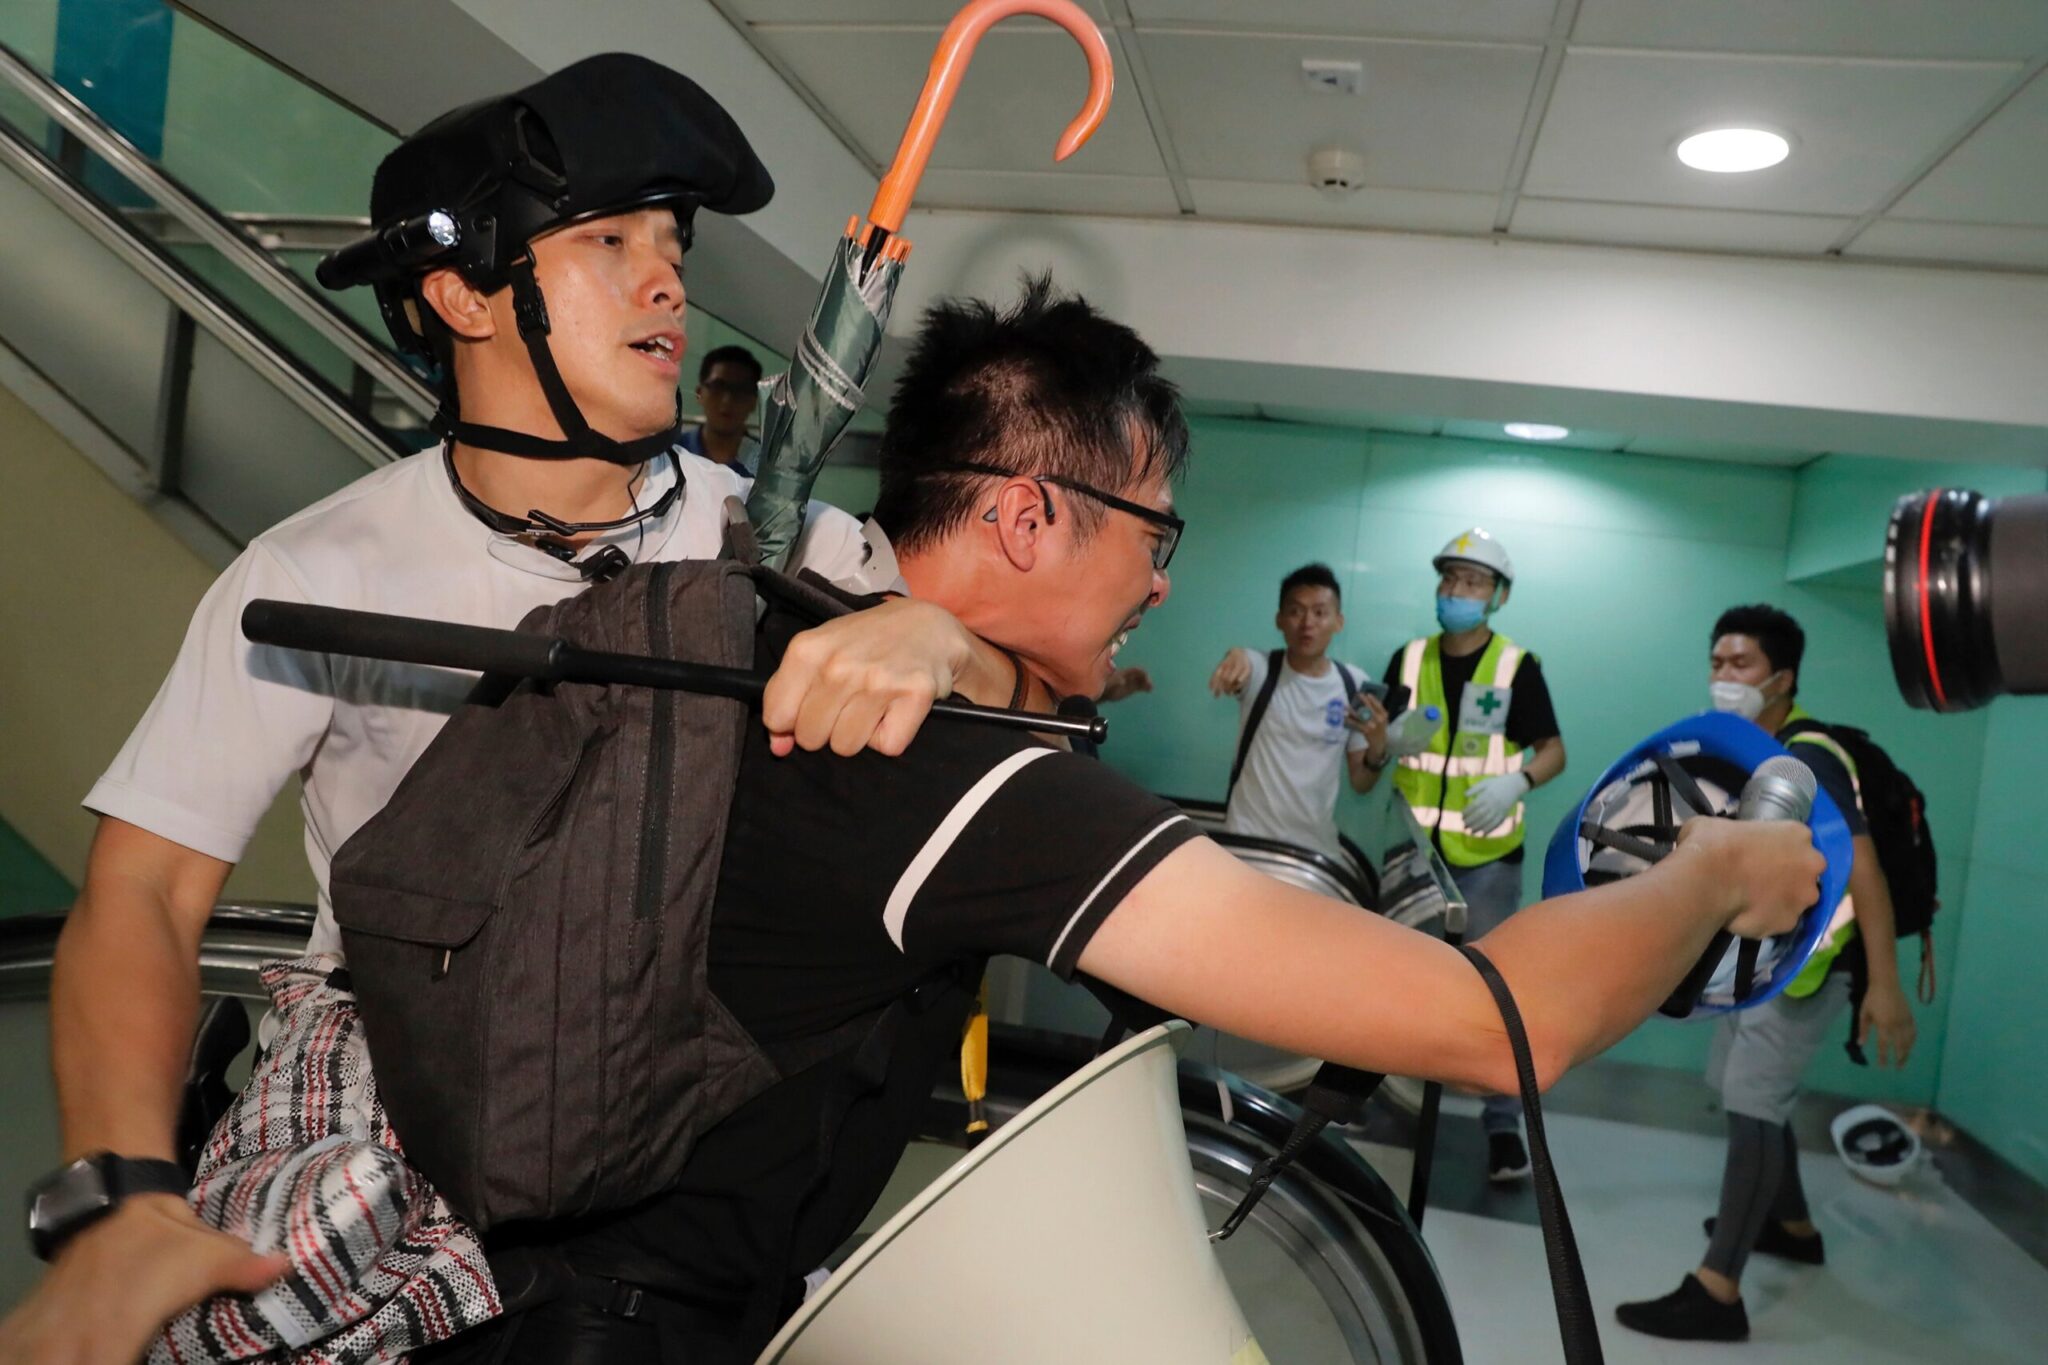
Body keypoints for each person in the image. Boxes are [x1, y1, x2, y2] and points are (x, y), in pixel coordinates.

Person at [372, 280, 1823, 1363]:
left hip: (500, 1280)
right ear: (1025, 517)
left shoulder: (779, 633)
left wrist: (963, 642)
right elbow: (1502, 1025)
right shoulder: (955, 775)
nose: (1163, 579)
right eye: (1154, 530)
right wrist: (1711, 871)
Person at [0, 54, 1012, 1365]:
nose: (669, 282)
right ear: (464, 295)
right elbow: (143, 887)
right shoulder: (317, 572)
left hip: (687, 1125)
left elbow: (997, 754)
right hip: (396, 1084)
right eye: (609, 241)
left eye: (674, 247)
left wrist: (944, 644)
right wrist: (126, 1193)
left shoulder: (786, 544)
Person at [1615, 604, 1917, 1343]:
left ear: (1782, 677)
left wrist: (1885, 985)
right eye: (1717, 661)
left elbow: (1866, 872)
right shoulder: (1761, 745)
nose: (1724, 676)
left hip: (1813, 970)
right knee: (1736, 1086)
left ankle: (1717, 1291)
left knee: (1753, 1104)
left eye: (1741, 663)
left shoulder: (1810, 756)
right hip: (1773, 962)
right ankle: (1791, 1225)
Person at [1355, 528, 1566, 1182]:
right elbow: (1373, 753)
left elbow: (1554, 752)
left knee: (1497, 987)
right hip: (1413, 852)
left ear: (1498, 596)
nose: (1457, 591)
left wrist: (1516, 782)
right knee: (1391, 976)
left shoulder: (1516, 666)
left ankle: (1503, 1126)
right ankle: (1365, 1094)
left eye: (1473, 582)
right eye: (1449, 578)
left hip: (1486, 855)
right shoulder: (1409, 658)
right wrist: (1382, 743)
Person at [1207, 564, 1386, 868]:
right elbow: (1241, 661)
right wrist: (1233, 656)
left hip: (1314, 853)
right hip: (1248, 845)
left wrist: (1378, 748)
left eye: (1320, 612)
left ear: (1338, 621)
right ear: (1279, 619)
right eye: (1295, 611)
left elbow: (1361, 782)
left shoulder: (1353, 684)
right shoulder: (1261, 670)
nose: (1307, 623)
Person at [678, 344, 763, 475]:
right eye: (718, 387)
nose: (727, 400)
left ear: (754, 401)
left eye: (740, 390)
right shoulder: (671, 452)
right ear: (699, 393)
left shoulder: (767, 466)